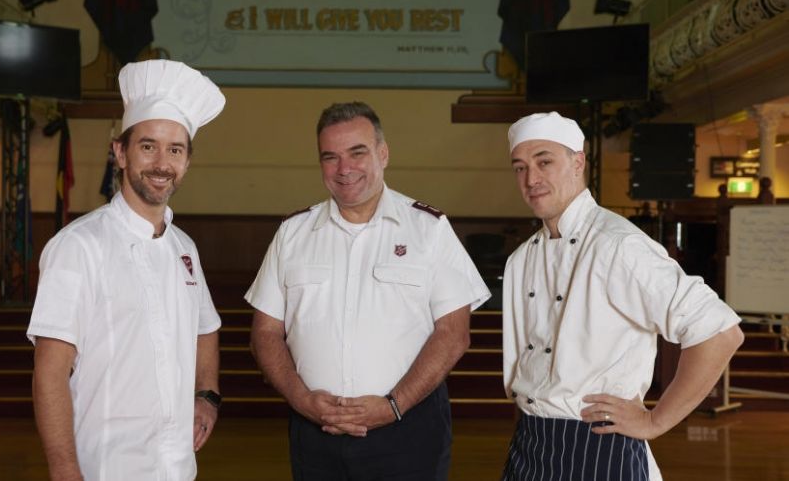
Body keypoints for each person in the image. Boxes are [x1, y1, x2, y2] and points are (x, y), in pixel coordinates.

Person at [246, 101, 490, 480]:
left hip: (408, 432)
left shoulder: (429, 230)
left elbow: (454, 334)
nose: (344, 169)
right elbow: (265, 332)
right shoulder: (292, 234)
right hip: (314, 435)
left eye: (357, 153)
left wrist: (394, 405)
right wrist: (301, 400)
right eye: (330, 157)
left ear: (383, 153)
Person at [501, 112, 744, 480]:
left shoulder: (617, 244)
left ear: (578, 162)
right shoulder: (521, 259)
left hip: (598, 444)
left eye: (544, 161)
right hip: (530, 444)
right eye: (520, 168)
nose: (531, 179)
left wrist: (654, 421)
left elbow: (720, 332)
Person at [28, 60, 226, 480]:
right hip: (103, 467)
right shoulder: (77, 246)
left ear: (187, 161)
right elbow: (49, 372)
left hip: (177, 467)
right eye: (148, 145)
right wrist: (64, 470)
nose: (161, 162)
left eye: (175, 149)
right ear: (120, 152)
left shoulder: (184, 248)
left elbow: (205, 329)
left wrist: (206, 395)